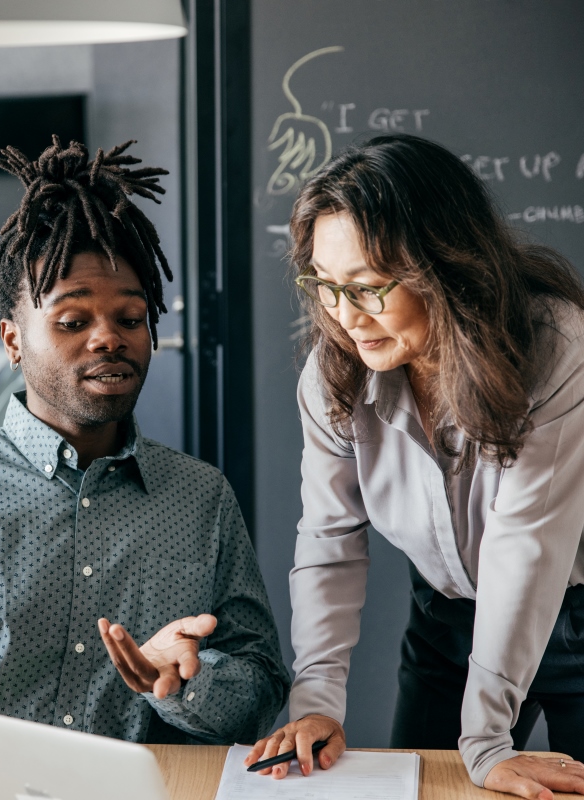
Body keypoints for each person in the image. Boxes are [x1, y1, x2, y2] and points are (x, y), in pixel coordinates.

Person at [0, 138, 289, 745]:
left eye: (132, 319)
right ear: (13, 342)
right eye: (72, 322)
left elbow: (262, 690)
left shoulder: (201, 498)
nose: (108, 339)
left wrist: (187, 683)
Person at [244, 134, 584, 800]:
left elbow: (526, 545)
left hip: (574, 619)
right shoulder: (333, 373)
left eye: (368, 288)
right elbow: (330, 539)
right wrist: (316, 700)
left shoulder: (558, 344)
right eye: (325, 287)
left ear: (446, 267)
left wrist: (485, 741)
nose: (344, 317)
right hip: (446, 623)